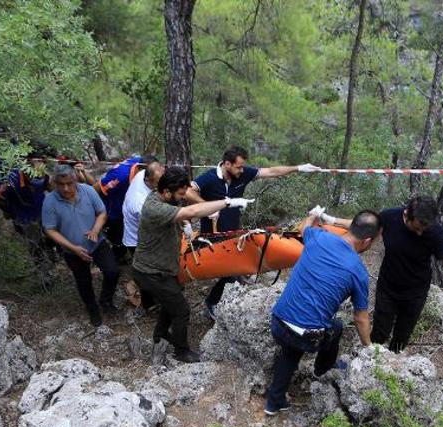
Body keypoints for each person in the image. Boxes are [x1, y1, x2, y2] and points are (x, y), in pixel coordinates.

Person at [320, 195, 443, 352]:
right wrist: (331, 220)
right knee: (380, 331)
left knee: (402, 336)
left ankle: (395, 362)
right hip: (388, 287)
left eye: (424, 229)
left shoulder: (435, 232)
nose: (420, 233)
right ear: (406, 215)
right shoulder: (389, 217)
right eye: (416, 228)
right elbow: (361, 227)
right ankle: (373, 360)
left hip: (416, 292)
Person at [264, 208, 380, 416]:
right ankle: (322, 370)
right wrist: (369, 348)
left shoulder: (317, 236)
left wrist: (313, 214)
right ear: (367, 241)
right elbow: (361, 318)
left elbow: (303, 227)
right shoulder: (358, 271)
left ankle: (274, 401)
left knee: (291, 351)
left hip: (278, 321)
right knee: (336, 327)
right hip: (306, 336)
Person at [132, 167, 254, 364]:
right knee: (181, 310)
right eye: (180, 194)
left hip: (163, 267)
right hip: (150, 271)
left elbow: (182, 214)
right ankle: (181, 351)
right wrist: (227, 202)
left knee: (171, 302)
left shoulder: (163, 199)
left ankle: (160, 337)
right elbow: (192, 210)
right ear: (166, 191)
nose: (182, 198)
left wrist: (183, 226)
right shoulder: (154, 208)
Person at [185, 146, 321, 320]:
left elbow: (271, 171)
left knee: (238, 268)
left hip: (233, 232)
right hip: (213, 235)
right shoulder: (210, 177)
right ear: (227, 164)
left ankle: (228, 295)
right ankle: (211, 304)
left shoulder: (242, 174)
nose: (242, 170)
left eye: (243, 167)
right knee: (232, 271)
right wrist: (206, 206)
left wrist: (299, 168)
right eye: (238, 167)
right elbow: (188, 190)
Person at [42, 164, 120, 326]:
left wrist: (95, 230)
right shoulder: (50, 201)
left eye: (69, 183)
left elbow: (102, 212)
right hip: (72, 251)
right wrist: (73, 248)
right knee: (83, 281)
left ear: (75, 179)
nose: (65, 188)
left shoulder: (88, 190)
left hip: (97, 242)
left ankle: (106, 300)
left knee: (112, 271)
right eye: (61, 184)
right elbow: (49, 229)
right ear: (55, 183)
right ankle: (92, 309)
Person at [0, 153, 56, 290]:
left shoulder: (41, 175)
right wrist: (0, 196)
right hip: (25, 218)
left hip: (43, 212)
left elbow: (51, 188)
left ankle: (52, 253)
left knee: (51, 238)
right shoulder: (11, 180)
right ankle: (44, 277)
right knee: (35, 246)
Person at [122, 156, 165, 311]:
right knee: (146, 273)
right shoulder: (139, 202)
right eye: (159, 182)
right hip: (137, 240)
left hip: (145, 232)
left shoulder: (146, 174)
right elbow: (156, 225)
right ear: (150, 180)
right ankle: (149, 304)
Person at [96, 155, 144, 262]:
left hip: (128, 207)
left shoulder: (144, 163)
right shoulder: (120, 175)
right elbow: (97, 188)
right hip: (113, 211)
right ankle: (117, 255)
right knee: (117, 236)